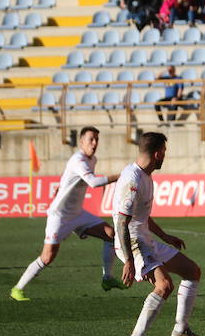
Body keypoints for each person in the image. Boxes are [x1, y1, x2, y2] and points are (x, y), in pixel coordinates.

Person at [113, 132, 205, 336]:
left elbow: (142, 215)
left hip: (144, 238)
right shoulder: (133, 180)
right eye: (164, 152)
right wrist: (128, 260)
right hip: (132, 243)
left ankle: (181, 330)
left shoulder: (145, 176)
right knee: (164, 285)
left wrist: (165, 237)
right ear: (157, 153)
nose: (164, 156)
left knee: (192, 271)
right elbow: (121, 223)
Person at [10, 127, 125, 301]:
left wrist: (60, 186)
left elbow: (69, 177)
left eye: (96, 140)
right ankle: (17, 289)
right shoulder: (78, 160)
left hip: (78, 213)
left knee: (110, 235)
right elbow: (93, 182)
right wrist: (119, 176)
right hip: (60, 215)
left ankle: (107, 279)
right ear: (81, 142)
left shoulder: (92, 159)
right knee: (47, 257)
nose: (94, 143)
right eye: (90, 140)